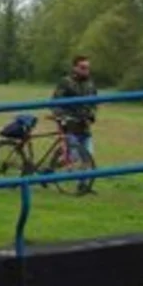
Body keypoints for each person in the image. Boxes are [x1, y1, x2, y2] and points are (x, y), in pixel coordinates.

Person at [51, 55, 97, 193]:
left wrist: (92, 116)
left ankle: (83, 185)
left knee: (87, 156)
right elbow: (55, 102)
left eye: (87, 68)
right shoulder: (66, 82)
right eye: (82, 67)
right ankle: (51, 168)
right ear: (75, 67)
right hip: (69, 124)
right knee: (74, 155)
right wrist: (61, 117)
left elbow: (94, 102)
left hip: (84, 124)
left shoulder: (90, 84)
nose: (86, 70)